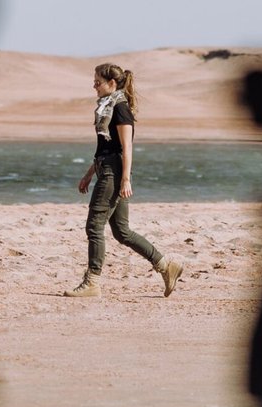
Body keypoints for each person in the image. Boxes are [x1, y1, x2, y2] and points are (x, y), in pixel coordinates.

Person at [64, 63, 185, 298]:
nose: (94, 86)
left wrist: (125, 180)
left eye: (98, 82)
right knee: (121, 231)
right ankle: (165, 265)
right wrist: (90, 173)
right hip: (105, 168)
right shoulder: (107, 107)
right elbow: (108, 147)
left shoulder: (120, 109)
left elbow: (126, 148)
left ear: (112, 84)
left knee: (94, 226)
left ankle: (92, 283)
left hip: (114, 172)